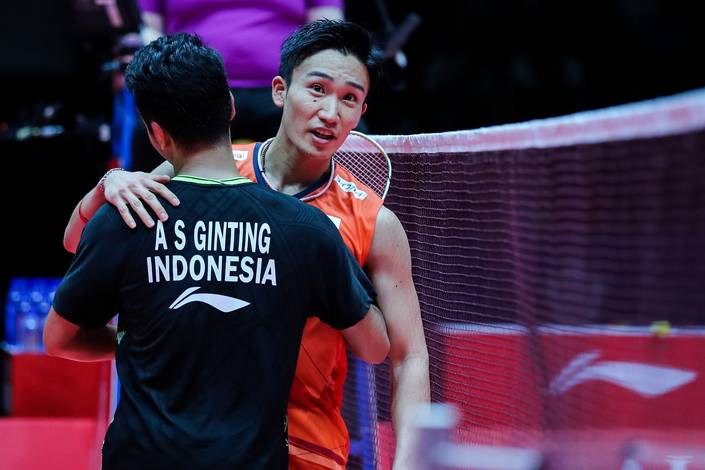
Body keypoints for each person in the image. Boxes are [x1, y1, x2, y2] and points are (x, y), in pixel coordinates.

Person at [64, 20, 429, 470]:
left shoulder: (374, 222)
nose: (330, 113)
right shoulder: (209, 164)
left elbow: (406, 355)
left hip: (307, 447)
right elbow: (81, 242)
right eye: (317, 89)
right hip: (204, 438)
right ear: (280, 90)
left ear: (361, 110)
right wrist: (109, 185)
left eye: (349, 98)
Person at [138, 0, 344, 143]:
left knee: (346, 133)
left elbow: (328, 28)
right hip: (192, 89)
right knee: (150, 131)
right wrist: (167, 75)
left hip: (286, 89)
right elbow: (148, 28)